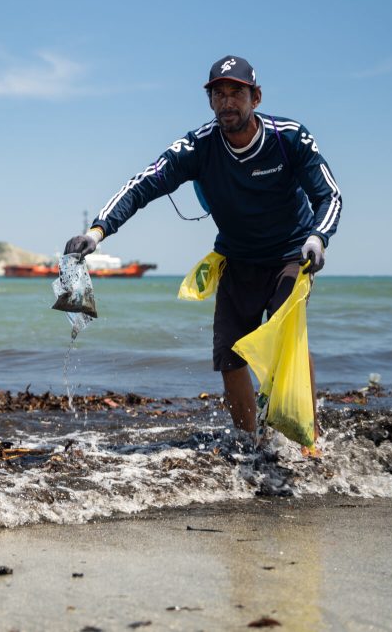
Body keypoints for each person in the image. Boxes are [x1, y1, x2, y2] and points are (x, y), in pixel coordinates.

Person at [63, 56, 342, 436]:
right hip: (236, 259)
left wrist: (317, 238)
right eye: (218, 94)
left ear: (255, 97)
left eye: (236, 93)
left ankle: (310, 438)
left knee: (284, 338)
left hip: (291, 256)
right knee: (230, 356)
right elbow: (144, 184)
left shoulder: (289, 137)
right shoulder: (197, 147)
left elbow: (330, 196)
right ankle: (250, 443)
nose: (227, 102)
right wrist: (97, 232)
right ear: (211, 101)